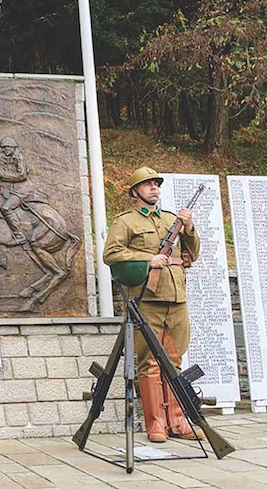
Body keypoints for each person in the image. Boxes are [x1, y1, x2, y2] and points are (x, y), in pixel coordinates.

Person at [103, 166, 202, 443]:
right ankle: (156, 423)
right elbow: (110, 253)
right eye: (148, 185)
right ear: (135, 192)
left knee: (174, 362)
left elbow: (191, 254)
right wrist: (147, 259)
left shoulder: (173, 219)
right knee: (150, 363)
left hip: (176, 298)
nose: (154, 188)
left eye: (156, 184)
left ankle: (179, 421)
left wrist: (190, 228)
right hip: (146, 300)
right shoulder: (126, 222)